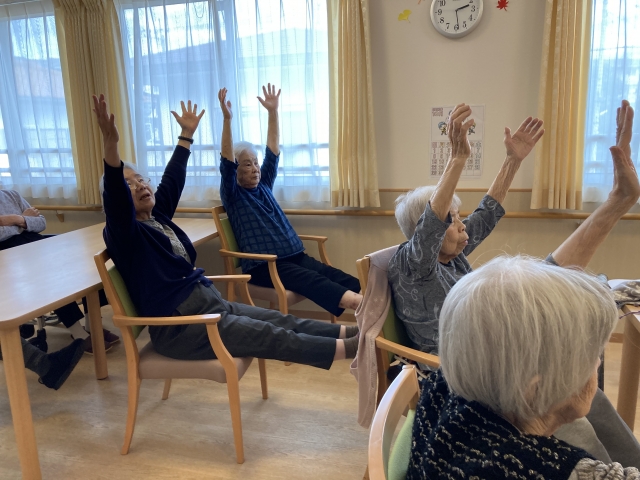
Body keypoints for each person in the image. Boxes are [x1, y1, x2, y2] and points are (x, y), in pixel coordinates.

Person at [391, 100, 640, 465]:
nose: (461, 224)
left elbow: (488, 212)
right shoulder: (413, 265)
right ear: (426, 230)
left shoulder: (452, 253)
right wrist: (457, 159)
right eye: (451, 218)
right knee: (566, 395)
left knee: (589, 390)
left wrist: (512, 161)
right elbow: (430, 227)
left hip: (497, 351)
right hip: (469, 376)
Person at [93, 93, 360, 368]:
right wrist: (111, 145)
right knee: (269, 333)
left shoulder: (157, 218)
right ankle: (358, 349)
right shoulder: (124, 233)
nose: (140, 185)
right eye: (129, 184)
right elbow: (116, 198)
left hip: (207, 303)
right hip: (180, 326)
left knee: (280, 320)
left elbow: (173, 178)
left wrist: (186, 136)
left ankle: (354, 333)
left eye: (141, 179)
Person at [407, 256, 640, 479]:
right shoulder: (553, 471)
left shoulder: (442, 387)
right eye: (591, 357)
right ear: (535, 392)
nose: (597, 363)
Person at [217, 85, 362, 317]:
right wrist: (227, 120)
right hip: (265, 266)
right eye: (247, 164)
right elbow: (226, 161)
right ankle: (361, 305)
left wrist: (273, 113)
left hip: (294, 257)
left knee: (333, 275)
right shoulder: (234, 195)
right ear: (236, 169)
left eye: (255, 163)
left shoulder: (264, 185)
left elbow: (273, 151)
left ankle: (373, 296)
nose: (255, 168)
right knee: (314, 280)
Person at [0, 189, 118, 354]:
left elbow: (41, 223)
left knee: (84, 260)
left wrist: (14, 219)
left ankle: (92, 324)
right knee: (51, 276)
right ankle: (77, 333)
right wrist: (24, 221)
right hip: (7, 254)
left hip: (32, 243)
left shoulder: (10, 195)